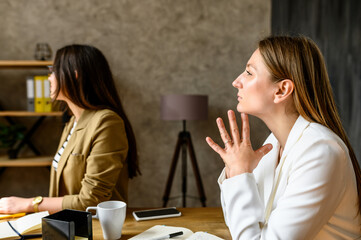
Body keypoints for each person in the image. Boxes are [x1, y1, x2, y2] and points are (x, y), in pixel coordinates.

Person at [206, 35, 361, 239]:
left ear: (281, 90)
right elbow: (243, 227)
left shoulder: (320, 152)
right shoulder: (274, 143)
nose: (236, 82)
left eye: (249, 72)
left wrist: (239, 174)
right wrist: (236, 169)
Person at [0, 44, 140, 214]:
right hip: (70, 227)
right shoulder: (72, 122)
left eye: (53, 71)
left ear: (74, 75)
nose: (49, 78)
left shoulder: (106, 122)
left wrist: (30, 203)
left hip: (96, 230)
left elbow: (92, 201)